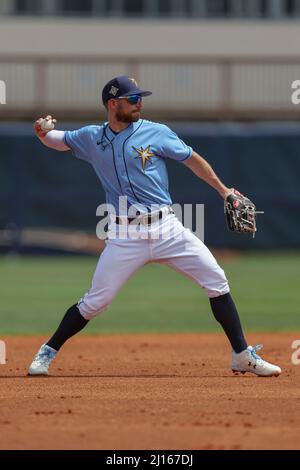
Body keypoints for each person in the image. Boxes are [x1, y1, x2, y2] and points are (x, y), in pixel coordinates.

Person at [28, 75, 281, 377]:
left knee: (216, 280)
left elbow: (192, 160)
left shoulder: (156, 132)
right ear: (113, 104)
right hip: (125, 235)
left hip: (167, 229)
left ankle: (242, 355)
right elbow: (57, 140)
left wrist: (224, 190)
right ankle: (47, 351)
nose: (140, 103)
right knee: (95, 302)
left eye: (140, 98)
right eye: (133, 99)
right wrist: (42, 132)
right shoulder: (91, 137)